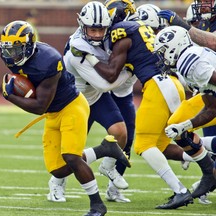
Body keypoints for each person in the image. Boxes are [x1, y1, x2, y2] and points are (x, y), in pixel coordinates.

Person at [71, 0, 215, 209]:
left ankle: (180, 191)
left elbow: (111, 74)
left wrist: (89, 58)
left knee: (143, 144)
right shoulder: (141, 28)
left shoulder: (122, 32)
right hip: (171, 82)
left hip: (156, 85)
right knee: (165, 142)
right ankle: (206, 166)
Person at [0, 20, 130, 216]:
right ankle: (105, 149)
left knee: (71, 157)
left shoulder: (48, 61)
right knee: (58, 170)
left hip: (72, 107)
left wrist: (10, 96)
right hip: (53, 113)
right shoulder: (18, 58)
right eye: (8, 49)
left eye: (17, 49)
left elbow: (39, 106)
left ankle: (97, 205)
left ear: (28, 46)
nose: (12, 55)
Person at [48, 1, 135, 204]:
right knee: (71, 153)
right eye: (93, 29)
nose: (97, 34)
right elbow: (105, 84)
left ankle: (108, 166)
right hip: (74, 101)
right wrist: (129, 72)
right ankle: (56, 183)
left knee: (121, 133)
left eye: (101, 29)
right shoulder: (76, 50)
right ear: (82, 25)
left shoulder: (108, 36)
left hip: (95, 96)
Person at [154, 25, 216, 198]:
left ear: (175, 46)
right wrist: (184, 126)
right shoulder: (192, 55)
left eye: (163, 51)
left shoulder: (188, 63)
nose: (162, 57)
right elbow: (212, 109)